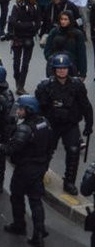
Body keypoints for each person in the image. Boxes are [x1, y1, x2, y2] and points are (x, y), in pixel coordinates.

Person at [0, 96, 55, 246]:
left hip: (25, 168)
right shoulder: (45, 122)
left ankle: (19, 225)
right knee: (35, 200)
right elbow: (51, 146)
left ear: (29, 110)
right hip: (39, 167)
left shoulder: (26, 128)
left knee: (17, 196)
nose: (18, 111)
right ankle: (39, 232)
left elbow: (10, 150)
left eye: (21, 109)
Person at [36, 55, 93, 195]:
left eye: (64, 68)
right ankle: (38, 177)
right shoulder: (45, 85)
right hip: (52, 125)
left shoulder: (77, 85)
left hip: (70, 125)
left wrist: (88, 124)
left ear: (69, 69)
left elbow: (86, 106)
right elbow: (39, 108)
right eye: (59, 69)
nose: (61, 71)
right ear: (54, 69)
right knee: (46, 151)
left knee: (73, 152)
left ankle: (69, 182)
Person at [9, 0, 41, 94]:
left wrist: (22, 24)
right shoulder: (17, 6)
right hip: (17, 37)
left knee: (25, 64)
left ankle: (21, 86)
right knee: (16, 64)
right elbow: (13, 22)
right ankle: (17, 80)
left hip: (29, 38)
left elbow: (37, 24)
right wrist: (29, 24)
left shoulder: (36, 7)